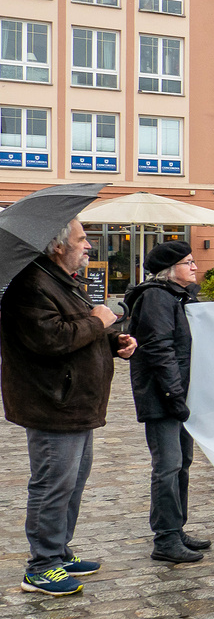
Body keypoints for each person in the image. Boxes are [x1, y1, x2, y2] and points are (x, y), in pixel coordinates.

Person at [1, 218, 134, 596]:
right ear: (57, 246)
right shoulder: (31, 287)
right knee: (52, 486)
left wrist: (114, 341)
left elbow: (82, 331)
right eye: (82, 239)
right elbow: (52, 340)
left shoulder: (61, 282)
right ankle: (41, 567)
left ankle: (58, 553)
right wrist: (98, 319)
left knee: (72, 483)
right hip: (52, 404)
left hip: (75, 403)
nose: (89, 246)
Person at [126, 240, 210, 564]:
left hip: (177, 395)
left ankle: (177, 528)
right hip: (162, 396)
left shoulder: (178, 297)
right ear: (169, 269)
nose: (195, 267)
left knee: (182, 463)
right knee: (168, 465)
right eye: (188, 262)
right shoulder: (156, 298)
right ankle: (165, 538)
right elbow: (160, 350)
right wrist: (173, 395)